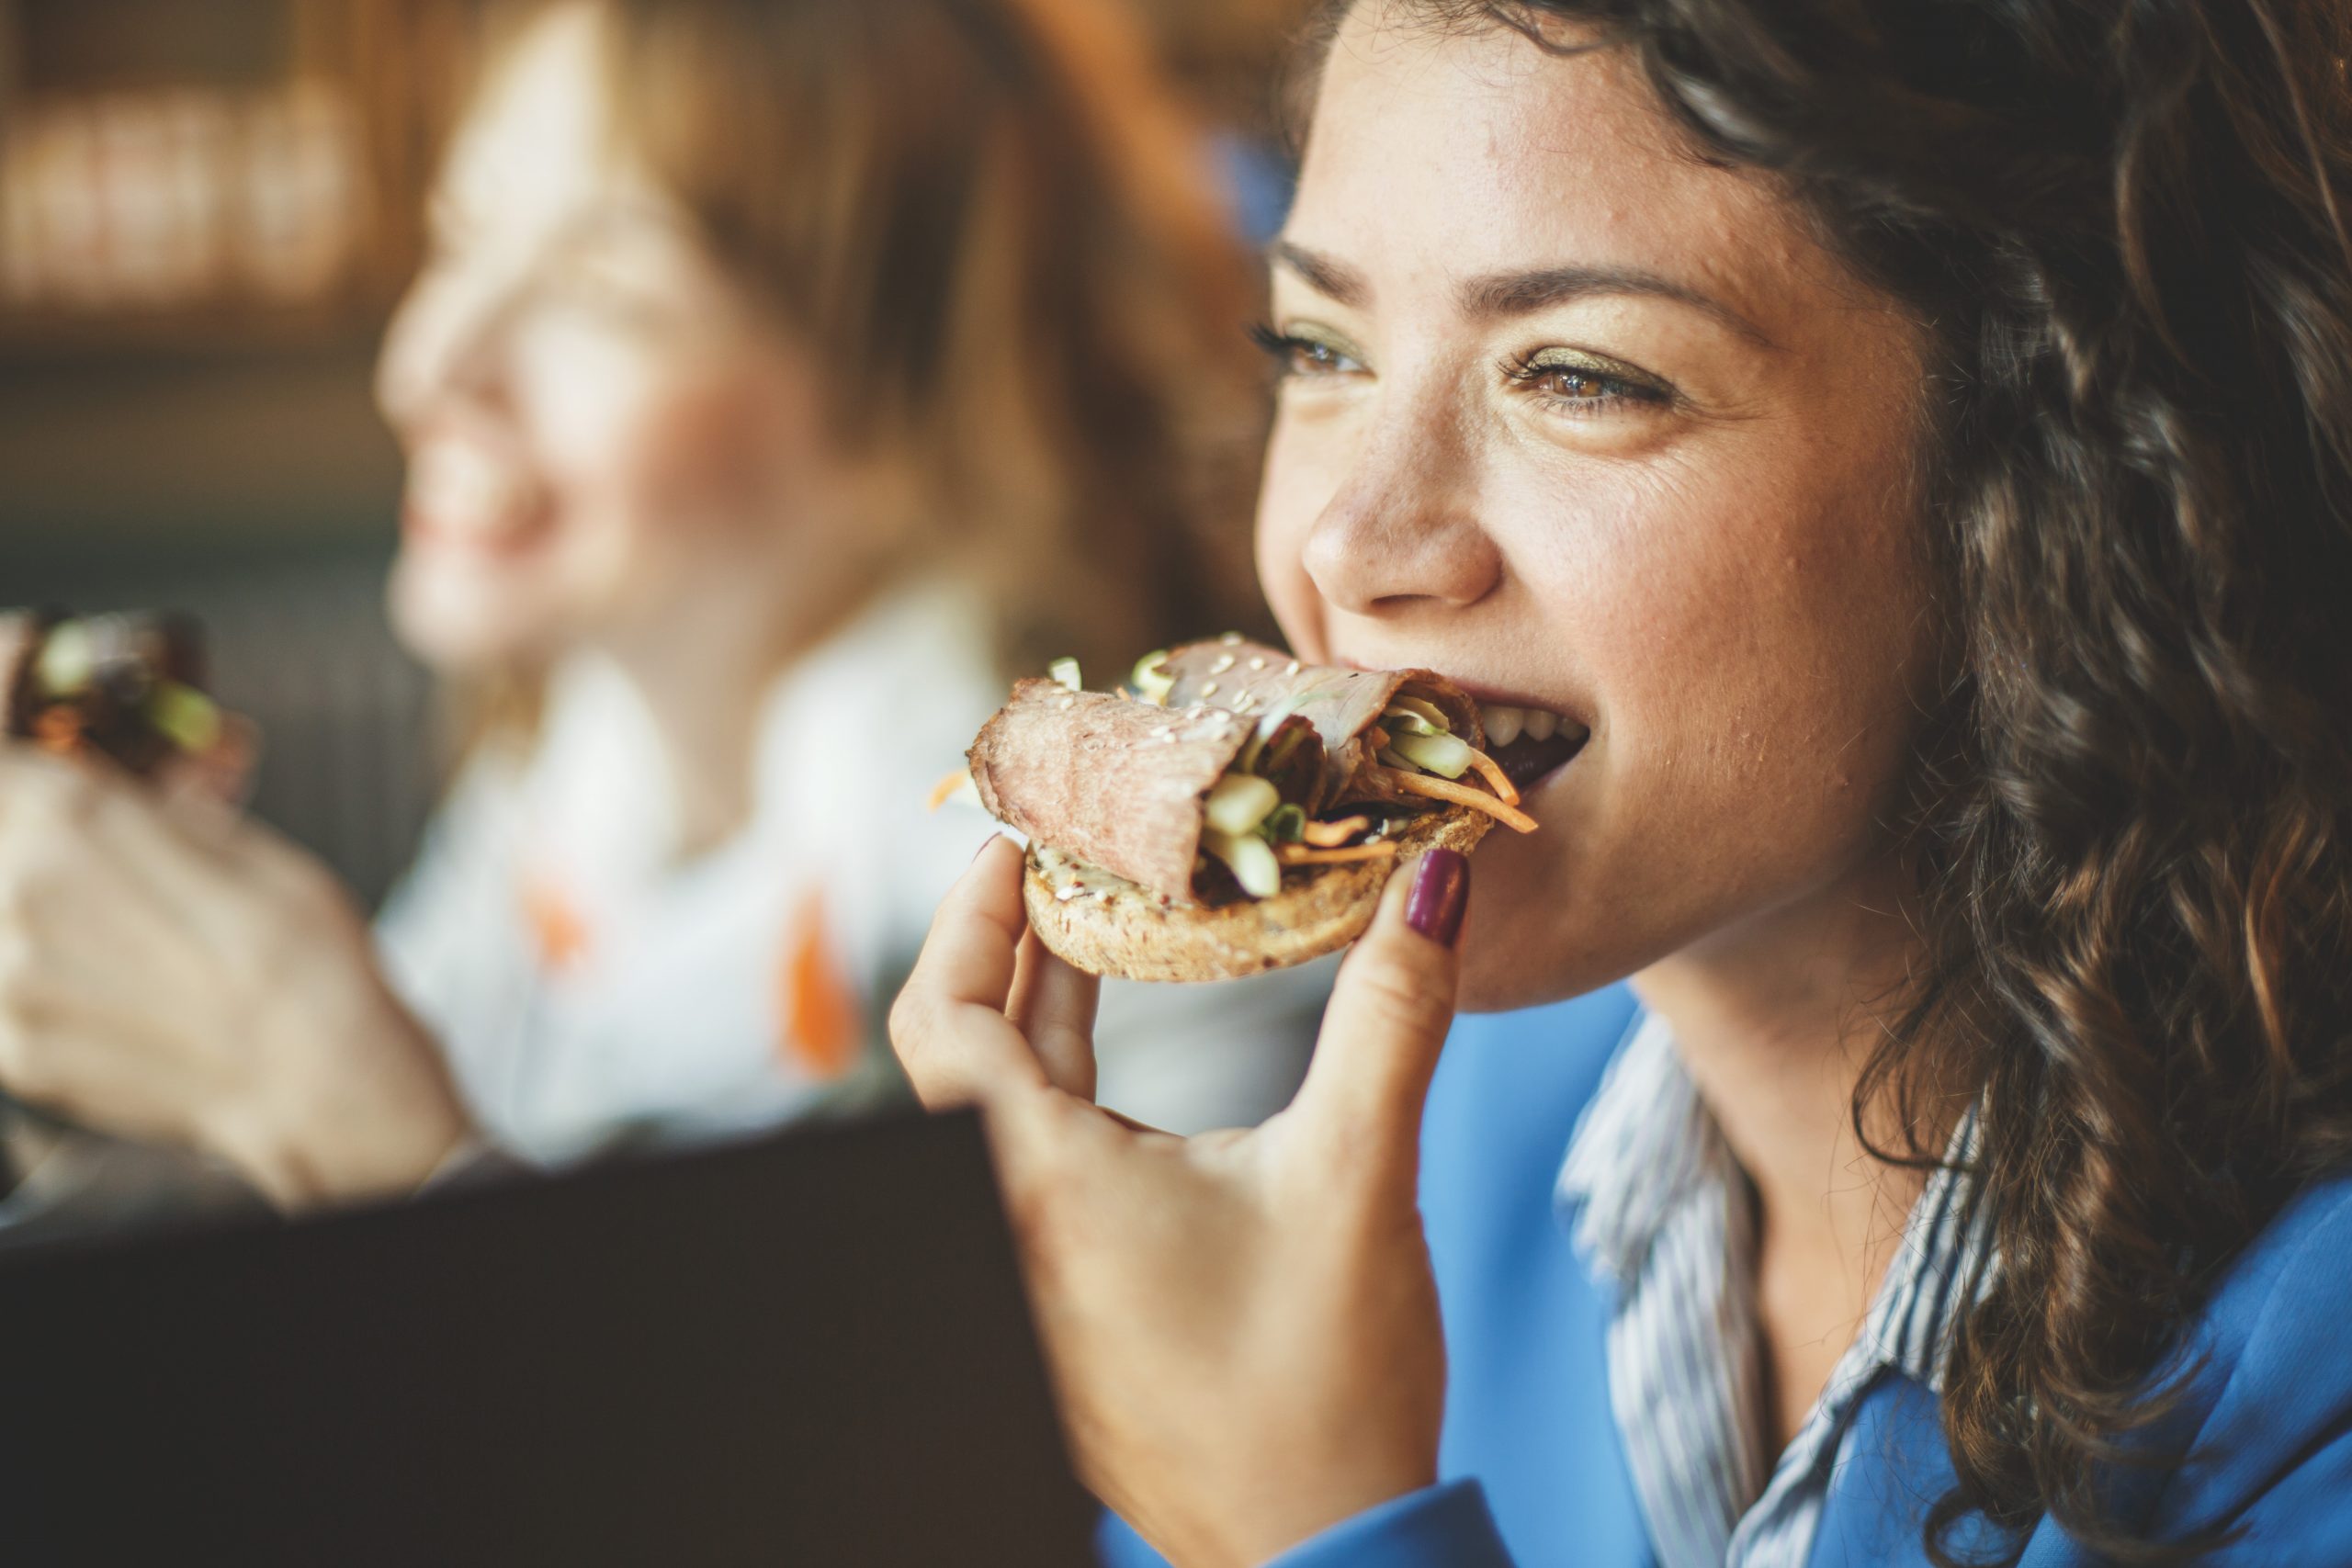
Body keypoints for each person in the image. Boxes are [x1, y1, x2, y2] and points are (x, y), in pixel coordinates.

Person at [888, 1, 2352, 1564]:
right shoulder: (1442, 1133)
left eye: (1581, 377)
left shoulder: (2307, 1393)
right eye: (1321, 350)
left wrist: (1305, 1530)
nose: (1349, 545)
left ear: (2056, 466)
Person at [0, 0, 1325, 1216]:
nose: (421, 368)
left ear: (915, 412)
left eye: (601, 292)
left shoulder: (1148, 944)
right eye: (460, 240)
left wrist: (347, 1114)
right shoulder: (573, 777)